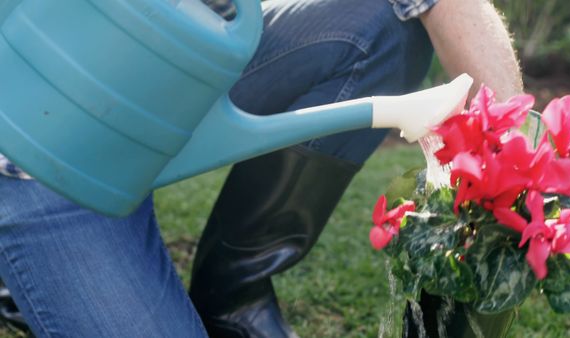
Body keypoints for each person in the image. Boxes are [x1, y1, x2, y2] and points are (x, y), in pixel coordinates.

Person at [0, 0, 524, 336]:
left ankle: (233, 304)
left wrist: (519, 155)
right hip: (39, 149)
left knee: (377, 25)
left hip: (180, 65)